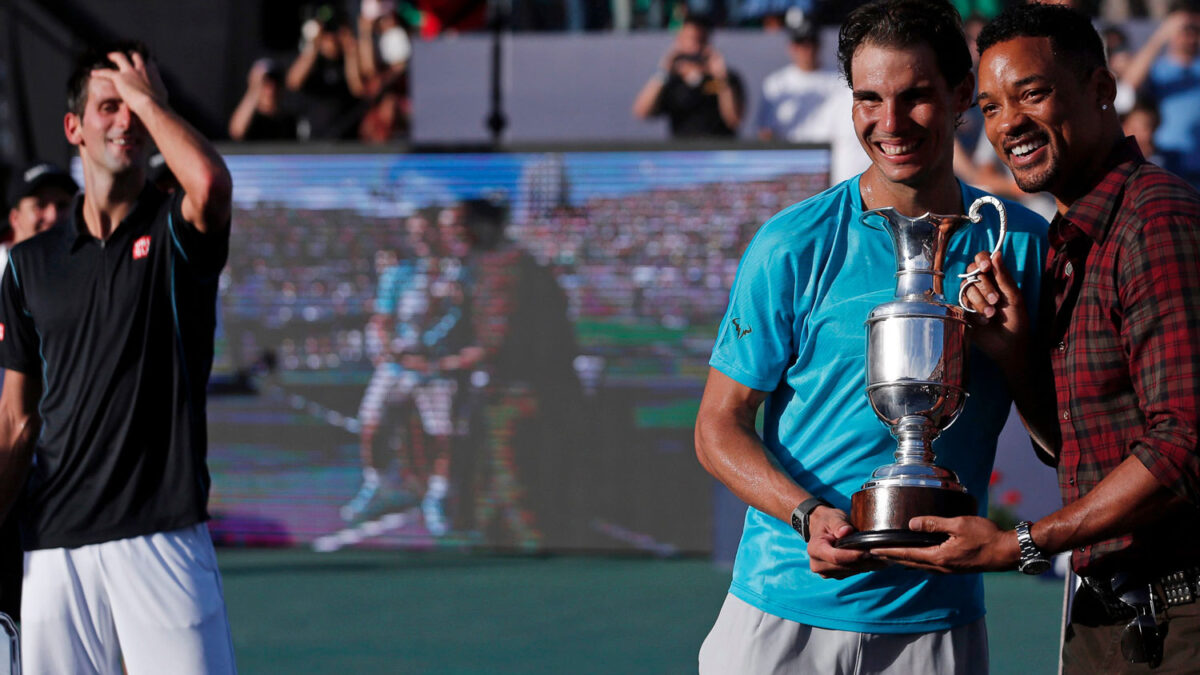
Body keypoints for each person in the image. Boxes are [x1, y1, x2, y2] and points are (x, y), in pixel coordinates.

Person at [692, 1, 1049, 672]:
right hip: (781, 612)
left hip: (934, 623)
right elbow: (717, 425)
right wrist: (805, 515)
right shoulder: (791, 244)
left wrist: (1015, 354)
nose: (890, 123)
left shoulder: (1020, 246)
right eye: (869, 99)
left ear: (961, 95)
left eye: (915, 96)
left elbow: (1062, 444)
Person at [872, 5, 1200, 673]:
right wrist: (1017, 355)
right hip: (1113, 615)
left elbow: (1186, 445)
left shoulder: (1155, 218)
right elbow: (1072, 448)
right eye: (990, 107)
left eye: (1033, 93)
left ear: (1102, 90)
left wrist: (1019, 543)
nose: (1008, 124)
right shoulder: (1071, 241)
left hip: (1181, 616)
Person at [0, 41, 236, 673]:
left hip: (161, 536)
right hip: (54, 549)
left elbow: (210, 183)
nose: (126, 119)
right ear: (74, 127)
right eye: (109, 105)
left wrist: (145, 98)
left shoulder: (173, 232)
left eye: (139, 104)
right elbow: (15, 425)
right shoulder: (28, 265)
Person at [0, 161, 77, 625]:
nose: (51, 214)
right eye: (39, 205)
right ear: (14, 216)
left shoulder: (84, 272)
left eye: (63, 205)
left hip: (62, 484)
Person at [756, 15, 868, 183]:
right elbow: (766, 134)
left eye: (811, 42)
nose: (807, 49)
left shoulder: (841, 80)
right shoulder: (777, 84)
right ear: (791, 47)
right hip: (793, 168)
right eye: (801, 43)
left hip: (832, 167)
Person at [1120, 0, 1200, 185]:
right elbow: (1127, 87)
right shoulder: (1157, 69)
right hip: (1165, 162)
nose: (1191, 36)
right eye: (1185, 29)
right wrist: (1162, 35)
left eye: (1195, 30)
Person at [631, 13, 745, 138]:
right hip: (681, 153)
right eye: (689, 40)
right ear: (679, 41)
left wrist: (721, 78)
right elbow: (641, 112)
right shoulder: (671, 80)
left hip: (718, 151)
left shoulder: (728, 78)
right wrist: (663, 71)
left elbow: (733, 120)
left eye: (700, 40)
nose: (694, 47)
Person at [228, 58, 298, 142]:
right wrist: (254, 90)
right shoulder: (250, 120)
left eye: (276, 82)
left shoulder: (289, 121)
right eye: (265, 83)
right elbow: (237, 131)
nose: (271, 89)